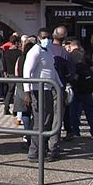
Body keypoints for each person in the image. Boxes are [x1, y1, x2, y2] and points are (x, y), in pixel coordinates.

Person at [23, 28, 63, 162]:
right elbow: (27, 72)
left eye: (49, 37)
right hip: (37, 89)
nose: (47, 40)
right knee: (39, 122)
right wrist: (27, 92)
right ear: (39, 38)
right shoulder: (35, 51)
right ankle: (34, 152)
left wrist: (60, 86)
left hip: (48, 89)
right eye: (44, 37)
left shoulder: (48, 51)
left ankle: (42, 149)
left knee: (47, 120)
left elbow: (52, 70)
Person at [64, 38, 93, 140]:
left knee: (74, 110)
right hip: (87, 86)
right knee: (90, 110)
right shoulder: (85, 54)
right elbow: (92, 66)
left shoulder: (70, 56)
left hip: (76, 85)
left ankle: (76, 132)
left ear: (71, 46)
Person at [3, 34, 21, 115]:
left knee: (9, 91)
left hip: (9, 74)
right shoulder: (19, 52)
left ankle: (6, 108)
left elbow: (3, 64)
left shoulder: (6, 52)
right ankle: (15, 110)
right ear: (16, 42)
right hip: (17, 74)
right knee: (17, 92)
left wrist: (5, 72)